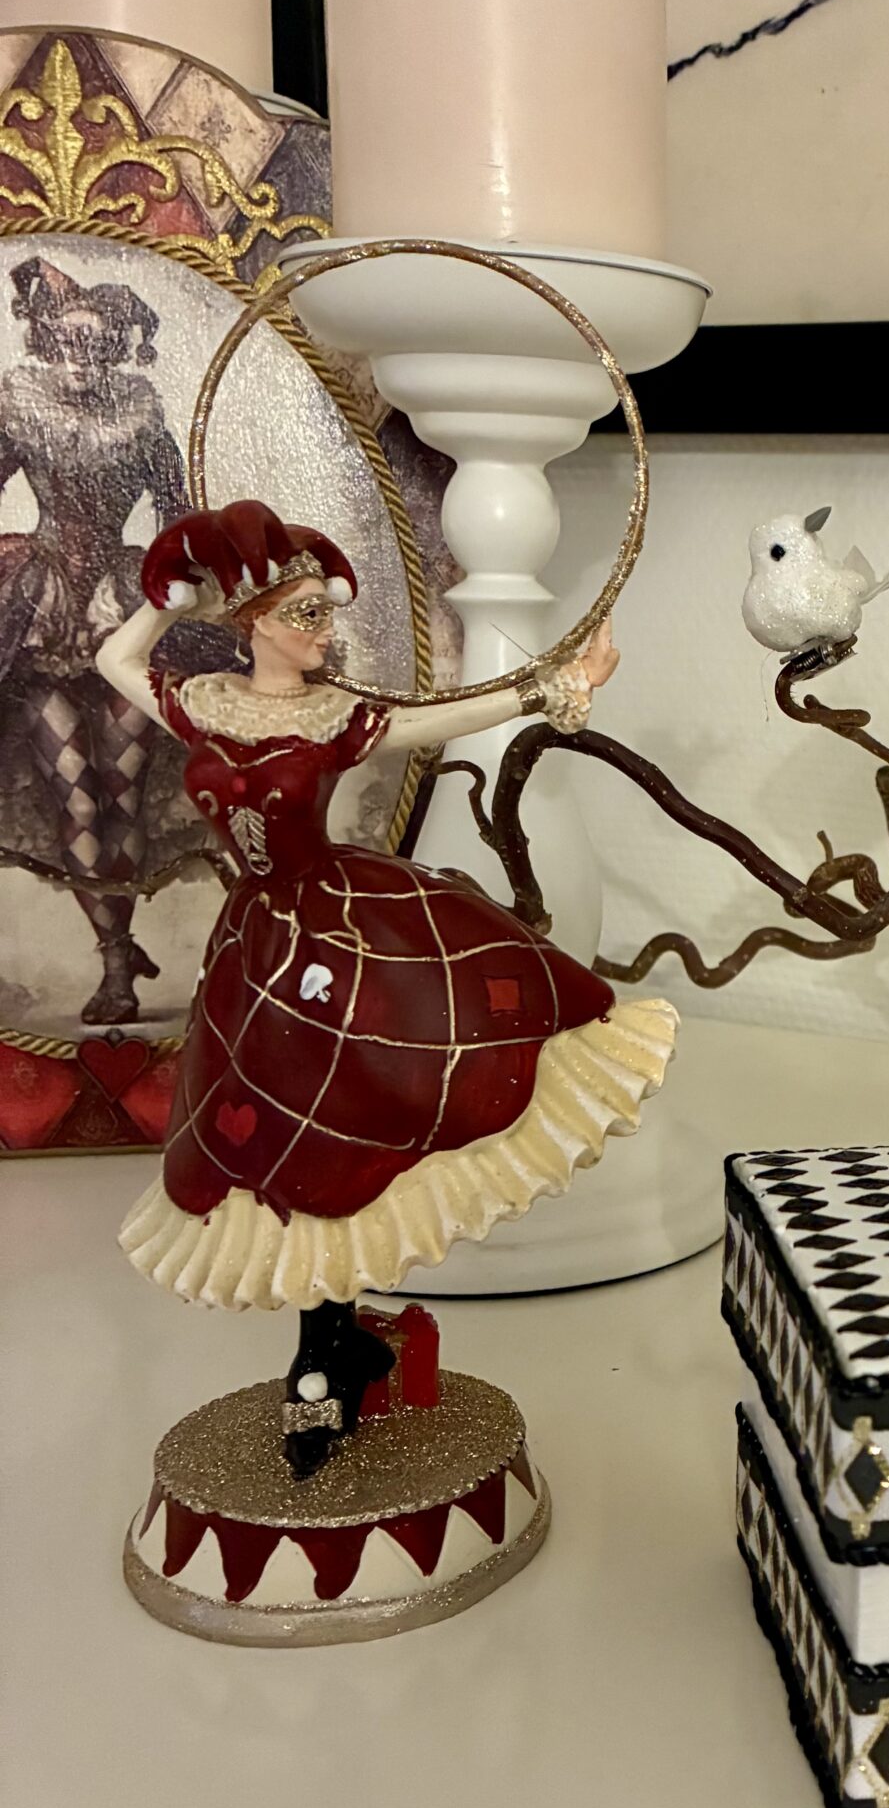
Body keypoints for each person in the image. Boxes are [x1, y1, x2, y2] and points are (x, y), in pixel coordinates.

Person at [97, 497, 676, 1477]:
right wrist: (171, 600)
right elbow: (115, 661)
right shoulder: (203, 703)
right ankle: (328, 1347)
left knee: (368, 1112)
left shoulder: (336, 715)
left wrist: (553, 686)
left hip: (340, 931)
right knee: (277, 1145)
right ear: (253, 624)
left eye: (328, 611)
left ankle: (324, 1361)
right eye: (306, 614)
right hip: (255, 950)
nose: (326, 631)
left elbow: (445, 717)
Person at [0, 257, 189, 1023]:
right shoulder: (20, 412)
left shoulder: (144, 425)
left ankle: (119, 948)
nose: (78, 358)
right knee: (73, 791)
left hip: (119, 612)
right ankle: (116, 960)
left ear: (115, 350)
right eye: (66, 342)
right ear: (46, 341)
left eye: (95, 345)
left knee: (121, 791)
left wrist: (182, 572)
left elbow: (179, 516)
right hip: (43, 612)